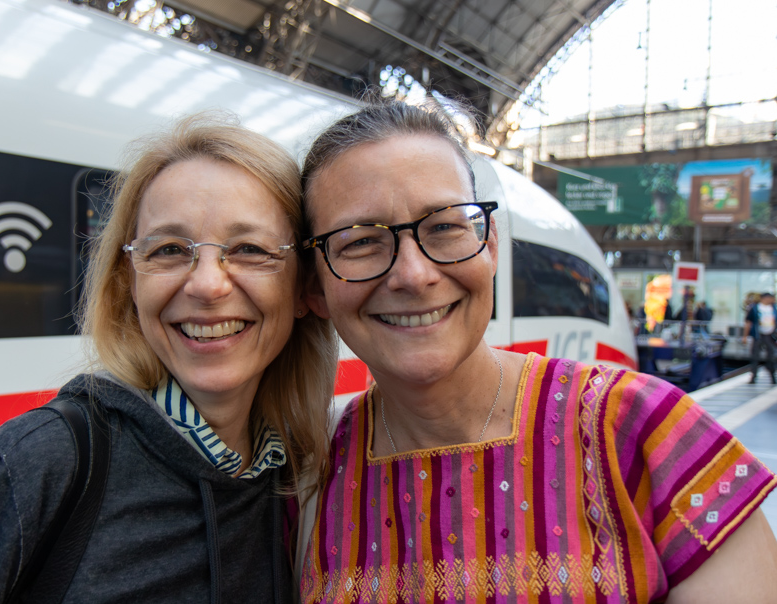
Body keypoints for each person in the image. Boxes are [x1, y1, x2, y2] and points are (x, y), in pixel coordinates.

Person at [296, 99, 777, 603]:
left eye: (444, 227)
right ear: (314, 289)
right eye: (359, 243)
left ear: (490, 246)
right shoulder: (309, 474)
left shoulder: (647, 433)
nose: (414, 275)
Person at [0, 114, 336, 603]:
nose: (208, 284)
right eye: (170, 249)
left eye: (250, 249)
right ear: (126, 283)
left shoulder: (300, 475)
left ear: (304, 287)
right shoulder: (37, 464)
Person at [743, 292, 777, 384]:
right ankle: (753, 377)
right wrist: (745, 336)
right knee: (755, 356)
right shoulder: (754, 308)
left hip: (770, 335)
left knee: (772, 356)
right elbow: (748, 322)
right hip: (758, 335)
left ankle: (773, 377)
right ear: (764, 298)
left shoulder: (774, 308)